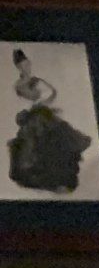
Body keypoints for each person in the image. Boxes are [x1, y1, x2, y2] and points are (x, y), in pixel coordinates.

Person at [7, 47, 91, 197]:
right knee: (32, 145)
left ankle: (60, 178)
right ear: (18, 67)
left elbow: (52, 93)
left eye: (27, 64)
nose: (26, 67)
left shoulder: (37, 80)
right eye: (22, 65)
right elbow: (20, 101)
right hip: (31, 118)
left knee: (56, 138)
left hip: (43, 114)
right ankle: (43, 178)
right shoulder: (18, 84)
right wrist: (30, 108)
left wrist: (42, 102)